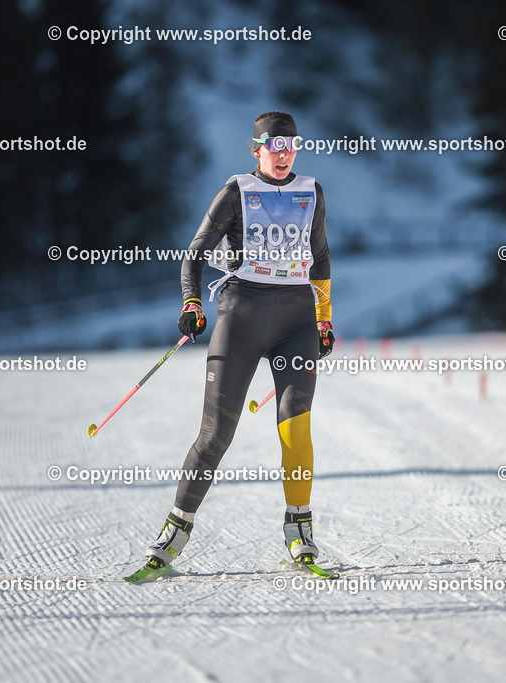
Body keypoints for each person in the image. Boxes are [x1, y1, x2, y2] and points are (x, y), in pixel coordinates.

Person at [135, 111, 334, 577]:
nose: (283, 154)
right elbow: (196, 252)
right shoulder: (237, 191)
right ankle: (175, 532)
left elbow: (320, 257)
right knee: (215, 435)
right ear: (256, 149)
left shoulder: (312, 192)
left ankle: (299, 529)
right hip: (241, 316)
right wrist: (190, 302)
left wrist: (324, 321)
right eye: (274, 145)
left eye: (291, 145)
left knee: (295, 430)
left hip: (296, 321)